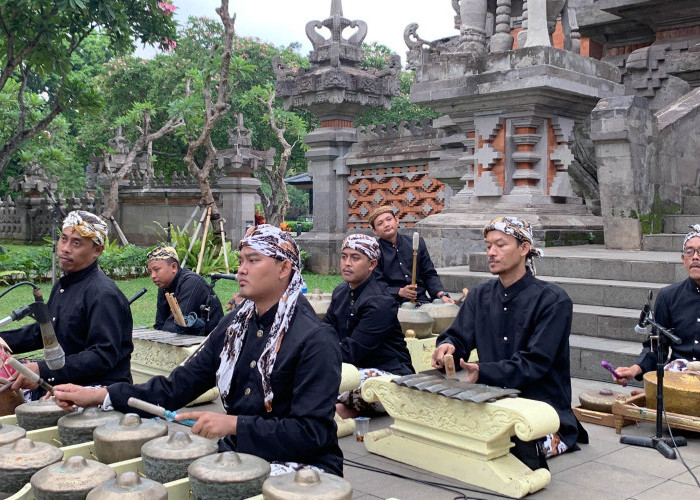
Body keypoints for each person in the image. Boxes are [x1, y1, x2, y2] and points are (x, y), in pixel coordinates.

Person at [53, 225, 343, 476]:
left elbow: (312, 434)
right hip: (238, 453)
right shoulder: (235, 325)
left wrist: (234, 424)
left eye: (253, 260)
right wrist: (101, 395)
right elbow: (177, 387)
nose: (241, 269)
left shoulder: (315, 338)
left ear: (284, 268)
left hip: (303, 466)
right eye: (241, 260)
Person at [431, 216, 587, 469]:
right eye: (488, 245)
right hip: (491, 401)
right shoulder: (480, 294)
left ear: (524, 249)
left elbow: (535, 362)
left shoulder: (553, 301)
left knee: (509, 447)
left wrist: (484, 372)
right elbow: (459, 335)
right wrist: (448, 346)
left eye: (500, 245)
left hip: (540, 410)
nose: (491, 252)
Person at [0, 210, 133, 392]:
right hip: (64, 385)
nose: (65, 248)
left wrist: (42, 370)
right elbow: (47, 332)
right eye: (64, 239)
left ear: (97, 250)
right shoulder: (63, 286)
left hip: (99, 392)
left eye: (76, 243)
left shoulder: (104, 294)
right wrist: (4, 339)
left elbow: (103, 356)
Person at [324, 234, 414, 419]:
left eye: (355, 258)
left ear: (372, 264)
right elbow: (324, 332)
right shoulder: (341, 292)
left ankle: (337, 408)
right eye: (344, 256)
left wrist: (316, 360)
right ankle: (342, 409)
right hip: (350, 368)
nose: (347, 263)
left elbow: (353, 351)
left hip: (388, 375)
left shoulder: (380, 302)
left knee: (361, 382)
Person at [613, 224, 700, 383]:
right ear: (683, 259)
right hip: (677, 379)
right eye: (689, 251)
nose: (695, 257)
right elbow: (656, 346)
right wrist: (634, 369)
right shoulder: (669, 296)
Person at [368, 205, 455, 305]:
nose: (386, 224)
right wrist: (399, 292)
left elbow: (429, 273)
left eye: (389, 219)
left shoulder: (416, 242)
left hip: (421, 301)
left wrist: (441, 294)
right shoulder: (373, 252)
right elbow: (375, 284)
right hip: (391, 304)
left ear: (396, 220)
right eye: (380, 223)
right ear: (374, 231)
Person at [147, 246, 224, 335]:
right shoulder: (164, 286)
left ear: (174, 267)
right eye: (150, 271)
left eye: (156, 270)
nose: (152, 276)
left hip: (208, 342)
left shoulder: (192, 282)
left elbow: (177, 325)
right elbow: (160, 325)